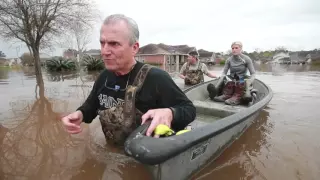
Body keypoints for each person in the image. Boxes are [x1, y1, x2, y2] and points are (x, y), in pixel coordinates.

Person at [60, 14, 196, 146]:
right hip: (115, 156)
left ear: (134, 48)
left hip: (148, 156)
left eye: (114, 44)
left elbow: (189, 110)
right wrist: (80, 114)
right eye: (103, 43)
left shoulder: (156, 77)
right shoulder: (104, 77)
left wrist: (170, 112)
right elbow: (91, 106)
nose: (105, 51)